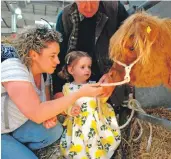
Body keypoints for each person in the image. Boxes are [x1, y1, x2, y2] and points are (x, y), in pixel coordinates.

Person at [1, 26, 105, 159]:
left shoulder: (45, 75)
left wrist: (49, 116)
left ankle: (16, 147)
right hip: (2, 130)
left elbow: (46, 105)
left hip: (17, 125)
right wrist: (79, 94)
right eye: (52, 56)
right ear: (33, 54)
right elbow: (38, 113)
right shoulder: (14, 69)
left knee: (55, 131)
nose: (57, 61)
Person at [52, 0, 130, 112]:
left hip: (109, 89)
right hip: (75, 91)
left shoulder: (115, 10)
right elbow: (59, 57)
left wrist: (114, 76)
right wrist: (58, 91)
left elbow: (130, 47)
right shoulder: (65, 18)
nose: (88, 7)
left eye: (93, 2)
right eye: (83, 2)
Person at [58, 51, 121, 159]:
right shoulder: (67, 88)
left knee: (95, 140)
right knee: (80, 145)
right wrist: (70, 110)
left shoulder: (94, 85)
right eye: (82, 67)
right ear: (71, 70)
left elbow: (102, 100)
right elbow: (66, 103)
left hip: (95, 121)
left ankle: (98, 155)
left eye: (89, 67)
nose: (87, 70)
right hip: (79, 122)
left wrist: (105, 89)